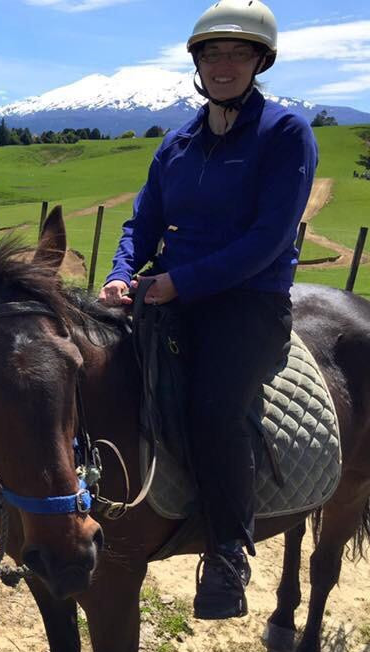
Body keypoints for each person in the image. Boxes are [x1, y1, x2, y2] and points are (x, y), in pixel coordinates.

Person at [97, 0, 318, 620]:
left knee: (213, 408)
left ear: (259, 61)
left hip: (248, 302)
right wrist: (120, 276)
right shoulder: (178, 142)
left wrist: (178, 285)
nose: (223, 65)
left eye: (237, 53)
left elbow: (269, 238)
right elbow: (141, 222)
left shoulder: (284, 133)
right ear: (196, 62)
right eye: (211, 53)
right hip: (172, 289)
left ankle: (226, 552)